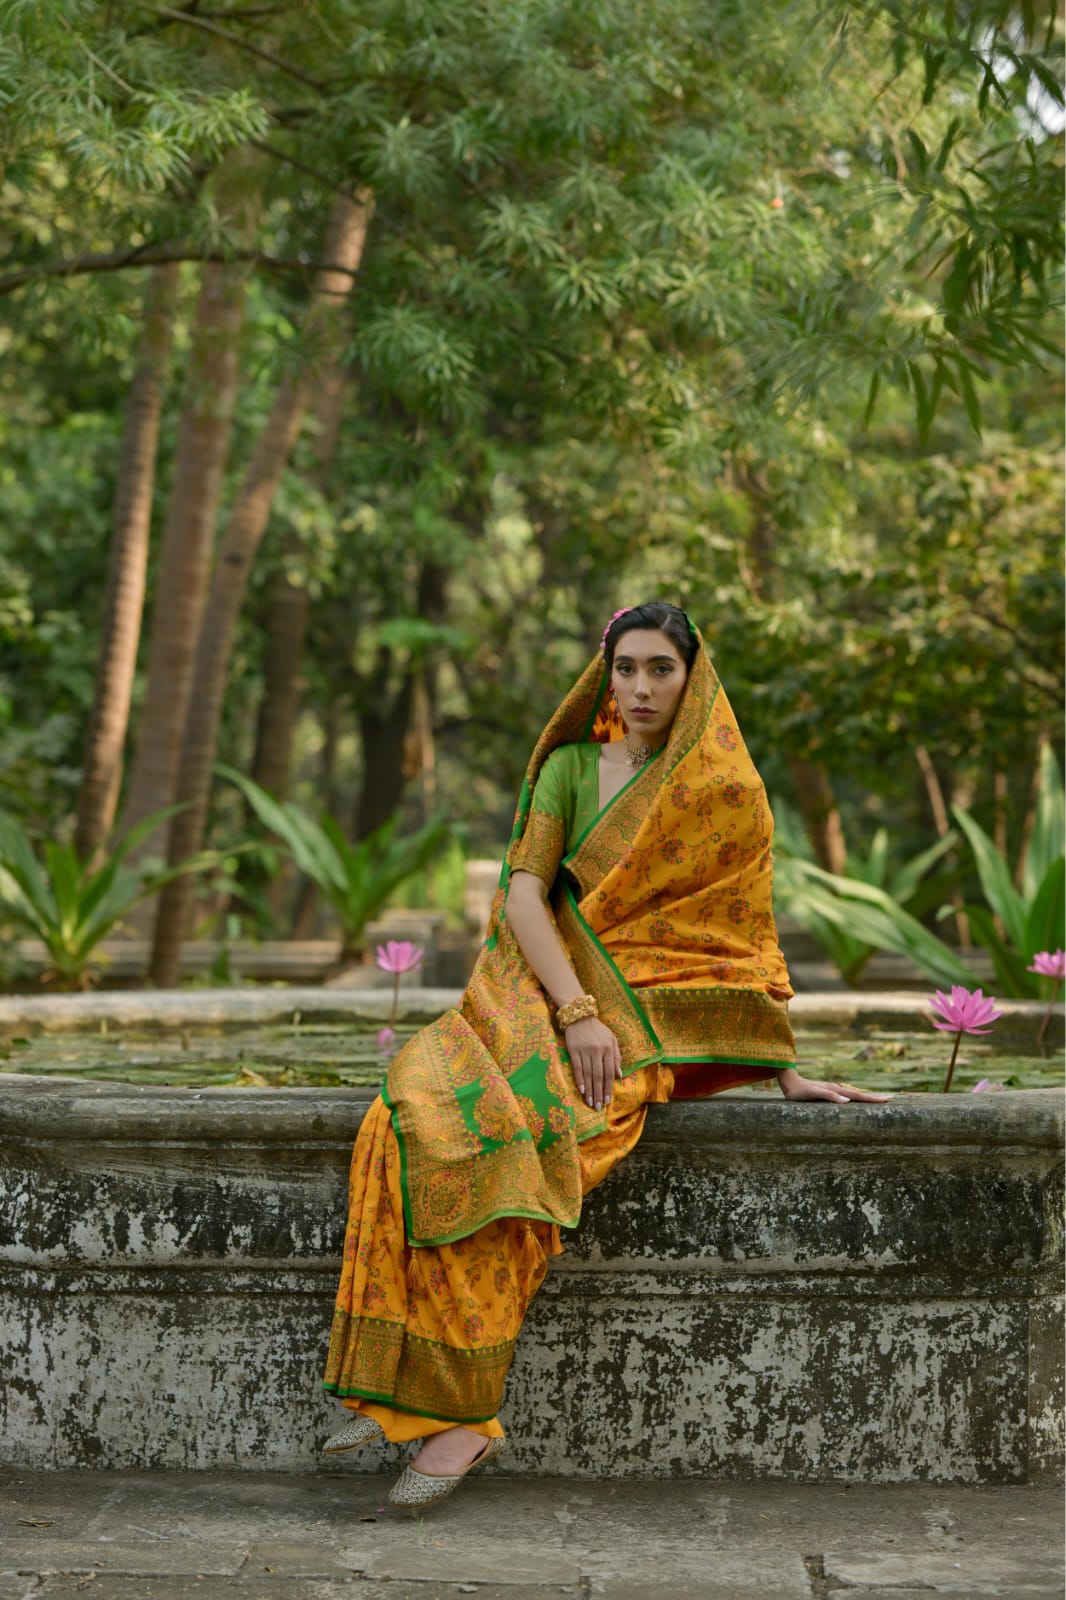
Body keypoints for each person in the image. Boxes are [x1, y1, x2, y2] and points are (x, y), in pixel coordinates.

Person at [321, 602, 888, 1508]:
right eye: (626, 668)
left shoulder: (723, 792)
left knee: (525, 1149)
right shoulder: (569, 768)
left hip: (646, 1026)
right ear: (605, 674)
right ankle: (399, 1389)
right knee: (405, 1122)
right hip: (539, 995)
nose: (641, 687)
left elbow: (739, 939)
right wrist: (577, 1011)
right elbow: (524, 897)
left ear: (693, 676)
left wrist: (783, 1068)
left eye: (662, 669)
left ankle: (460, 1416)